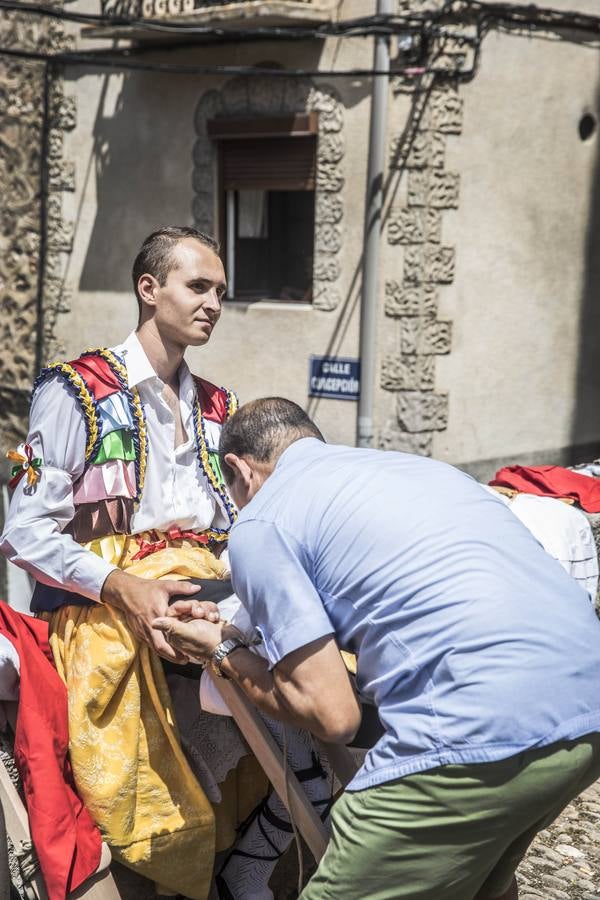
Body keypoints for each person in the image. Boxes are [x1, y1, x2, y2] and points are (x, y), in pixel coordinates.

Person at [155, 397, 600, 900]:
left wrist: (220, 649)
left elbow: (332, 715)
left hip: (475, 726)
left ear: (237, 468)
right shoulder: (422, 471)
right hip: (585, 709)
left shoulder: (261, 523)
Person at [0, 231, 332, 900]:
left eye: (220, 290)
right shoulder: (75, 391)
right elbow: (24, 529)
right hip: (105, 609)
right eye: (198, 287)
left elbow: (232, 520)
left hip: (209, 589)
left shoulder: (217, 404)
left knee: (305, 652)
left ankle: (298, 801)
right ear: (149, 290)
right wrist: (120, 584)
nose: (215, 302)